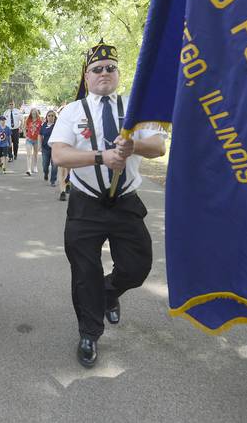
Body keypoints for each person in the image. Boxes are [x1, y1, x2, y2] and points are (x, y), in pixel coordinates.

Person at [50, 40, 166, 367]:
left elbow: (157, 146)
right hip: (85, 204)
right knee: (84, 272)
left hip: (126, 203)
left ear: (118, 73)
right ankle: (89, 332)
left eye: (110, 68)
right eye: (96, 69)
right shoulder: (72, 112)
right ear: (86, 77)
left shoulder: (136, 107)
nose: (104, 73)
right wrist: (102, 156)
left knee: (137, 267)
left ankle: (109, 293)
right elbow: (59, 154)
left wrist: (132, 146)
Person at [39, 110, 59, 186]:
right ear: (46, 117)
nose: (50, 117)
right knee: (45, 165)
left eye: (52, 116)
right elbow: (40, 135)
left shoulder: (57, 125)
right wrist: (40, 146)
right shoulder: (43, 125)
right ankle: (46, 173)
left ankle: (53, 180)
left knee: (54, 165)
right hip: (45, 148)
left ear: (55, 117)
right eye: (49, 115)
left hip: (55, 149)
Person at [23, 108, 41, 176]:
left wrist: (40, 141)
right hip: (29, 140)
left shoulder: (39, 121)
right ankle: (29, 169)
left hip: (36, 140)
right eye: (32, 113)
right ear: (31, 113)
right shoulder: (28, 120)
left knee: (35, 154)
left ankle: (35, 166)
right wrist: (25, 135)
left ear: (36, 113)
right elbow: (24, 128)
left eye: (35, 113)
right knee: (29, 154)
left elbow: (41, 131)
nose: (33, 114)